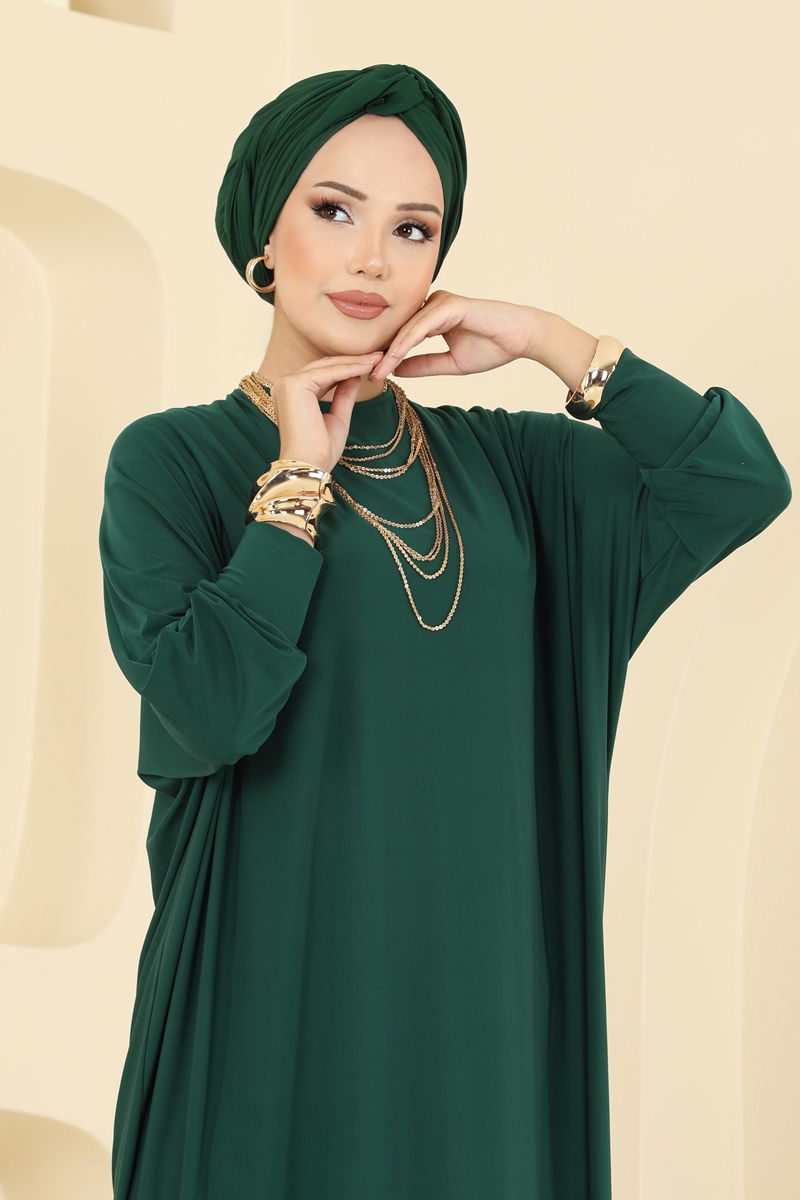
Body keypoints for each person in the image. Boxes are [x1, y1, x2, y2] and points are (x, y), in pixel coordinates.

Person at [98, 63, 792, 1200]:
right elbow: (209, 708)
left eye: (412, 229)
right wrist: (295, 484)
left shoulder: (516, 471)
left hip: (483, 1012)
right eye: (335, 211)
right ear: (264, 236)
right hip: (274, 999)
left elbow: (737, 485)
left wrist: (547, 340)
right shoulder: (174, 460)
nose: (374, 259)